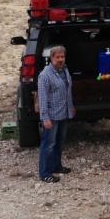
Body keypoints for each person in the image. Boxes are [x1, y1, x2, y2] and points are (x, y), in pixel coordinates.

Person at [38, 45, 75, 183]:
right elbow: (42, 98)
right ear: (51, 58)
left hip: (64, 113)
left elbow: (67, 90)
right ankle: (45, 173)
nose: (60, 59)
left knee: (59, 142)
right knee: (48, 145)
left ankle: (57, 166)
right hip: (51, 116)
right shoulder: (45, 75)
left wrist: (71, 107)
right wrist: (45, 118)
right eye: (57, 57)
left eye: (62, 56)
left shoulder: (64, 70)